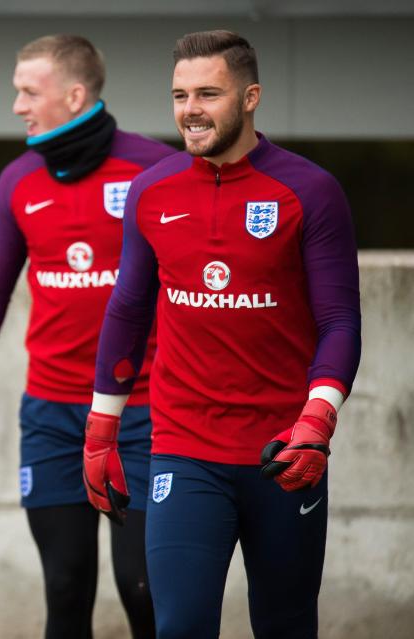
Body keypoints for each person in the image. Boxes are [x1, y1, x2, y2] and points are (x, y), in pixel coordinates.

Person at [86, 30, 361, 638]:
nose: (190, 109)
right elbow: (129, 310)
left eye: (208, 93)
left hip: (283, 454)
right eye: (180, 94)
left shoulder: (310, 191)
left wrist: (317, 421)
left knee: (286, 626)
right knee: (179, 625)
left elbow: (340, 322)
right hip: (184, 451)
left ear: (251, 97)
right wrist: (102, 426)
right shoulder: (151, 191)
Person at [0, 35, 174, 639]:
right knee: (66, 588)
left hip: (146, 411)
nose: (16, 104)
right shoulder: (18, 180)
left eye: (28, 91)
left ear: (75, 95)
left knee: (144, 589)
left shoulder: (157, 168)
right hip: (52, 413)